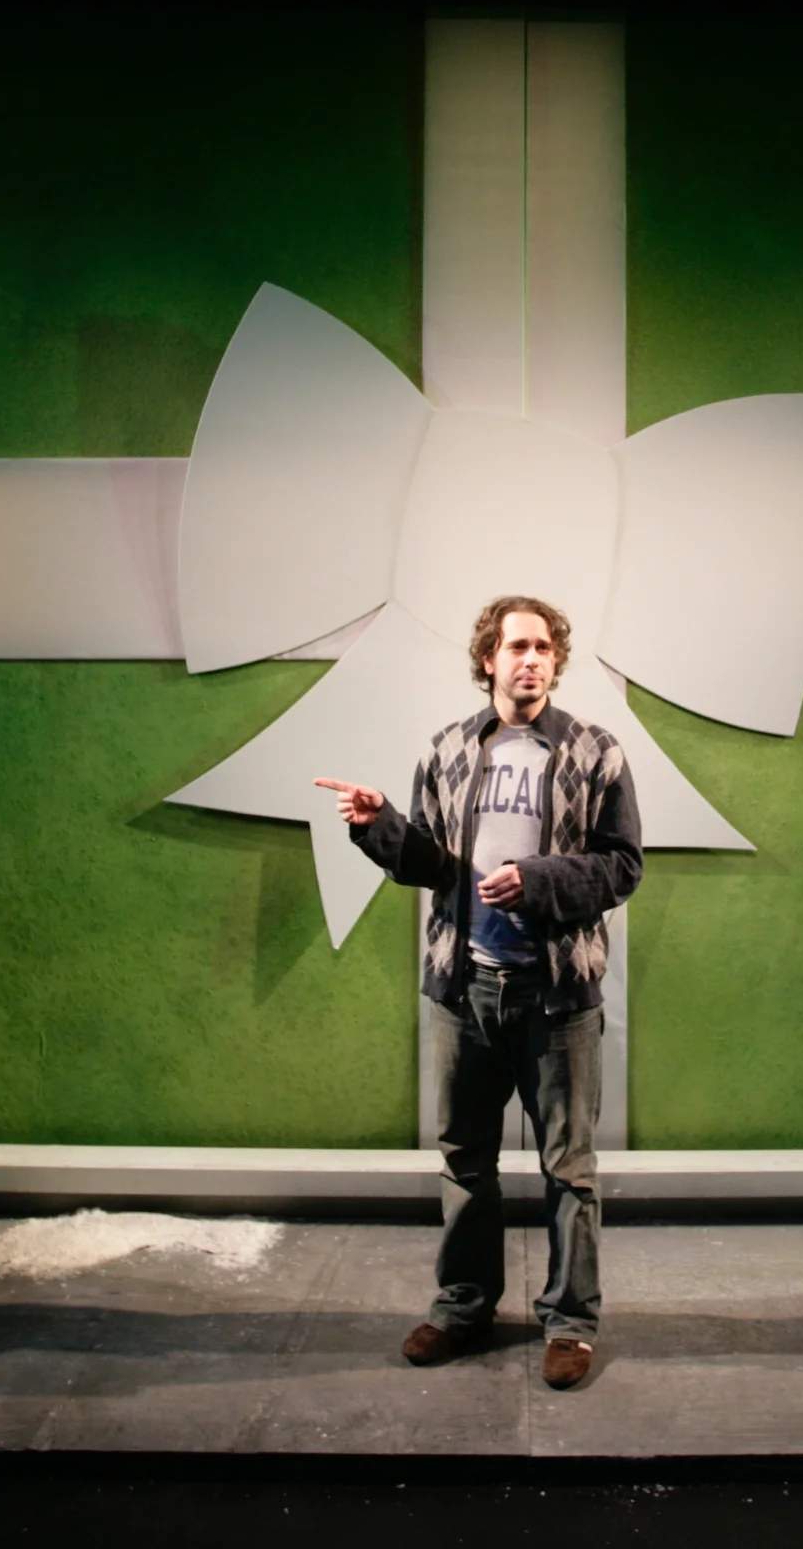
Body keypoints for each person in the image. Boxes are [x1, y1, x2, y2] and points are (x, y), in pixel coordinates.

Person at [315, 594, 642, 1391]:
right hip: (463, 991)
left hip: (556, 997)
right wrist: (378, 827)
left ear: (555, 662)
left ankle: (570, 1324)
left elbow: (622, 866)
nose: (529, 659)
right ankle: (463, 1306)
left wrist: (535, 882)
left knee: (569, 1170)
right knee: (465, 1160)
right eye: (514, 646)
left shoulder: (596, 753)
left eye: (542, 647)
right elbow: (431, 865)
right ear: (488, 660)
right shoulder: (449, 749)